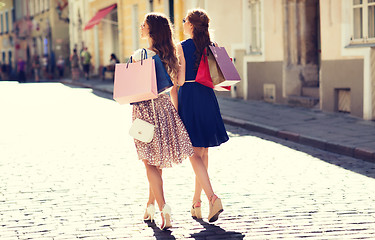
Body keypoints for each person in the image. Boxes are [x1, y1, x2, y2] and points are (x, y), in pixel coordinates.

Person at [131, 13, 194, 230]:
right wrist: (175, 116)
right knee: (156, 163)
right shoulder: (170, 54)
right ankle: (150, 205)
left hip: (145, 110)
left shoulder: (142, 55)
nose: (141, 27)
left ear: (152, 30)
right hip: (165, 109)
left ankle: (164, 207)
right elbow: (178, 84)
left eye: (144, 25)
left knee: (148, 162)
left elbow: (134, 87)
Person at [174, 9, 229, 223]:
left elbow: (179, 81)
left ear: (190, 25)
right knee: (202, 151)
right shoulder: (212, 46)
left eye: (184, 20)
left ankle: (212, 198)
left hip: (190, 98)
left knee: (192, 151)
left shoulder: (182, 46)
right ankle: (196, 203)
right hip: (207, 98)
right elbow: (219, 79)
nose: (183, 23)